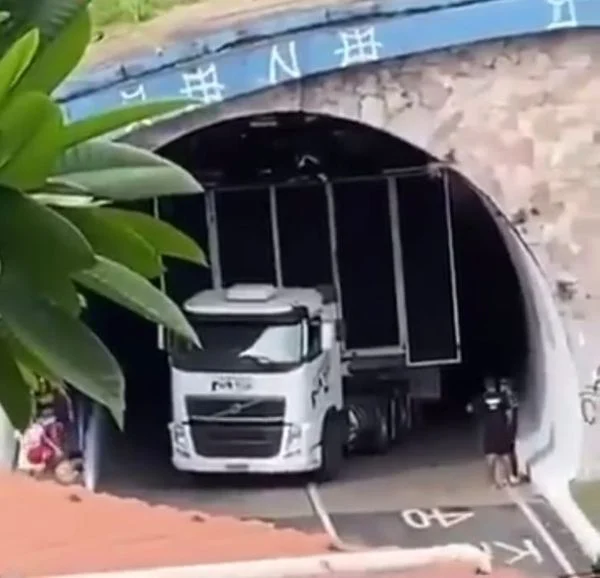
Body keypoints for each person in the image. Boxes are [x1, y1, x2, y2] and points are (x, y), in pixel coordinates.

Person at [467, 377, 518, 488]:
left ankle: (492, 483)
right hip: (502, 429)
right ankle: (509, 478)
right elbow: (509, 410)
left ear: (486, 387)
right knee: (505, 455)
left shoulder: (481, 398)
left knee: (491, 457)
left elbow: (470, 408)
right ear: (495, 386)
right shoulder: (502, 396)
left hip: (489, 430)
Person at [499, 377, 519, 481]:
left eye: (503, 385)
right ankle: (512, 474)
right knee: (509, 451)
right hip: (510, 427)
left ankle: (513, 474)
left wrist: (507, 428)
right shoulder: (511, 396)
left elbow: (510, 414)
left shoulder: (509, 398)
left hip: (508, 428)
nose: (501, 387)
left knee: (509, 451)